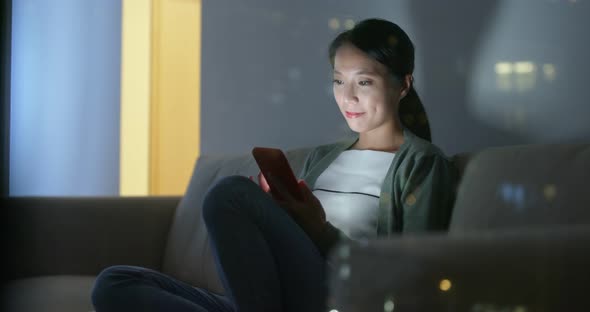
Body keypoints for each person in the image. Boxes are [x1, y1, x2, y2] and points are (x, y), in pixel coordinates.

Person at [91, 18, 456, 312]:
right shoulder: (323, 157)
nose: (348, 97)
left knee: (229, 193)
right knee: (115, 282)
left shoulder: (421, 163)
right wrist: (277, 213)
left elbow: (411, 273)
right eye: (338, 82)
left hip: (343, 297)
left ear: (403, 85)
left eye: (364, 81)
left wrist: (319, 229)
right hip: (275, 297)